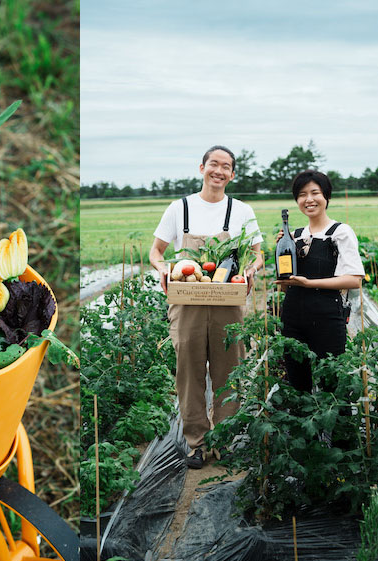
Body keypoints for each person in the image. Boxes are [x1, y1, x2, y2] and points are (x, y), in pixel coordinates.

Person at [149, 145, 263, 469]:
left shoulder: (241, 210)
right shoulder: (179, 208)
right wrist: (161, 269)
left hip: (228, 300)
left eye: (226, 167)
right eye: (214, 164)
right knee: (189, 374)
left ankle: (223, 441)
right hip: (187, 302)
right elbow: (156, 251)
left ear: (232, 174)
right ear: (201, 168)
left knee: (229, 372)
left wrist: (251, 270)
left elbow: (257, 254)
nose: (219, 171)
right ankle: (197, 443)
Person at [275, 170, 364, 393]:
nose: (309, 199)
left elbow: (354, 280)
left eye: (315, 192)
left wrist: (309, 283)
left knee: (332, 381)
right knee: (297, 382)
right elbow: (285, 284)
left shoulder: (339, 232)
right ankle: (302, 426)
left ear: (326, 197)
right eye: (302, 194)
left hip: (327, 317)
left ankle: (335, 428)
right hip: (293, 317)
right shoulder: (294, 235)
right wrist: (279, 255)